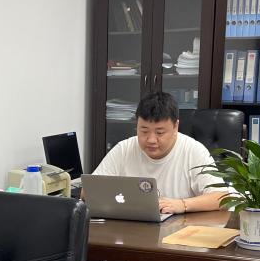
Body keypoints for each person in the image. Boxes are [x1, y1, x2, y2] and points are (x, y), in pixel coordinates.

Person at [91, 91, 226, 213]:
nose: (151, 140)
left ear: (175, 127)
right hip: (131, 225)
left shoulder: (194, 151)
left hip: (179, 229)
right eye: (144, 131)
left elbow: (221, 198)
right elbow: (88, 190)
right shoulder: (124, 149)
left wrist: (183, 204)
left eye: (159, 132)